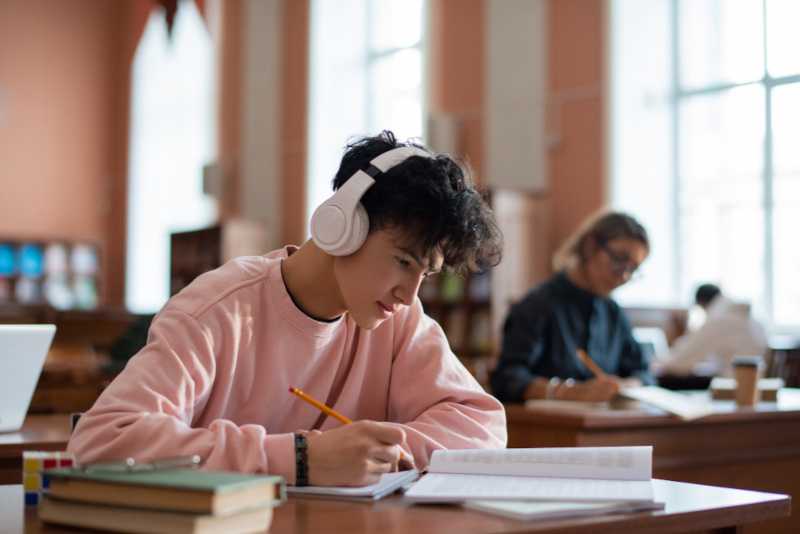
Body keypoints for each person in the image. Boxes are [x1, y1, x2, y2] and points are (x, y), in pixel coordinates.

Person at [68, 131, 506, 487]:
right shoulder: (217, 310)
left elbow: (483, 426)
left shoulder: (399, 320)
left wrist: (382, 450)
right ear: (342, 227)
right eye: (403, 262)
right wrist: (299, 458)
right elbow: (102, 441)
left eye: (424, 275)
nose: (408, 295)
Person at [490, 211, 654, 403]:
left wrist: (628, 386)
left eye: (633, 269)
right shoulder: (538, 305)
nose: (624, 276)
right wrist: (571, 392)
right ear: (590, 246)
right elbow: (508, 379)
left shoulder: (613, 312)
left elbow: (644, 372)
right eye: (619, 259)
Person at [655, 283, 767, 378]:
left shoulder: (719, 319)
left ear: (702, 303)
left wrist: (659, 363)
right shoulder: (740, 314)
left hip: (733, 386)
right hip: (755, 383)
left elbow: (682, 361)